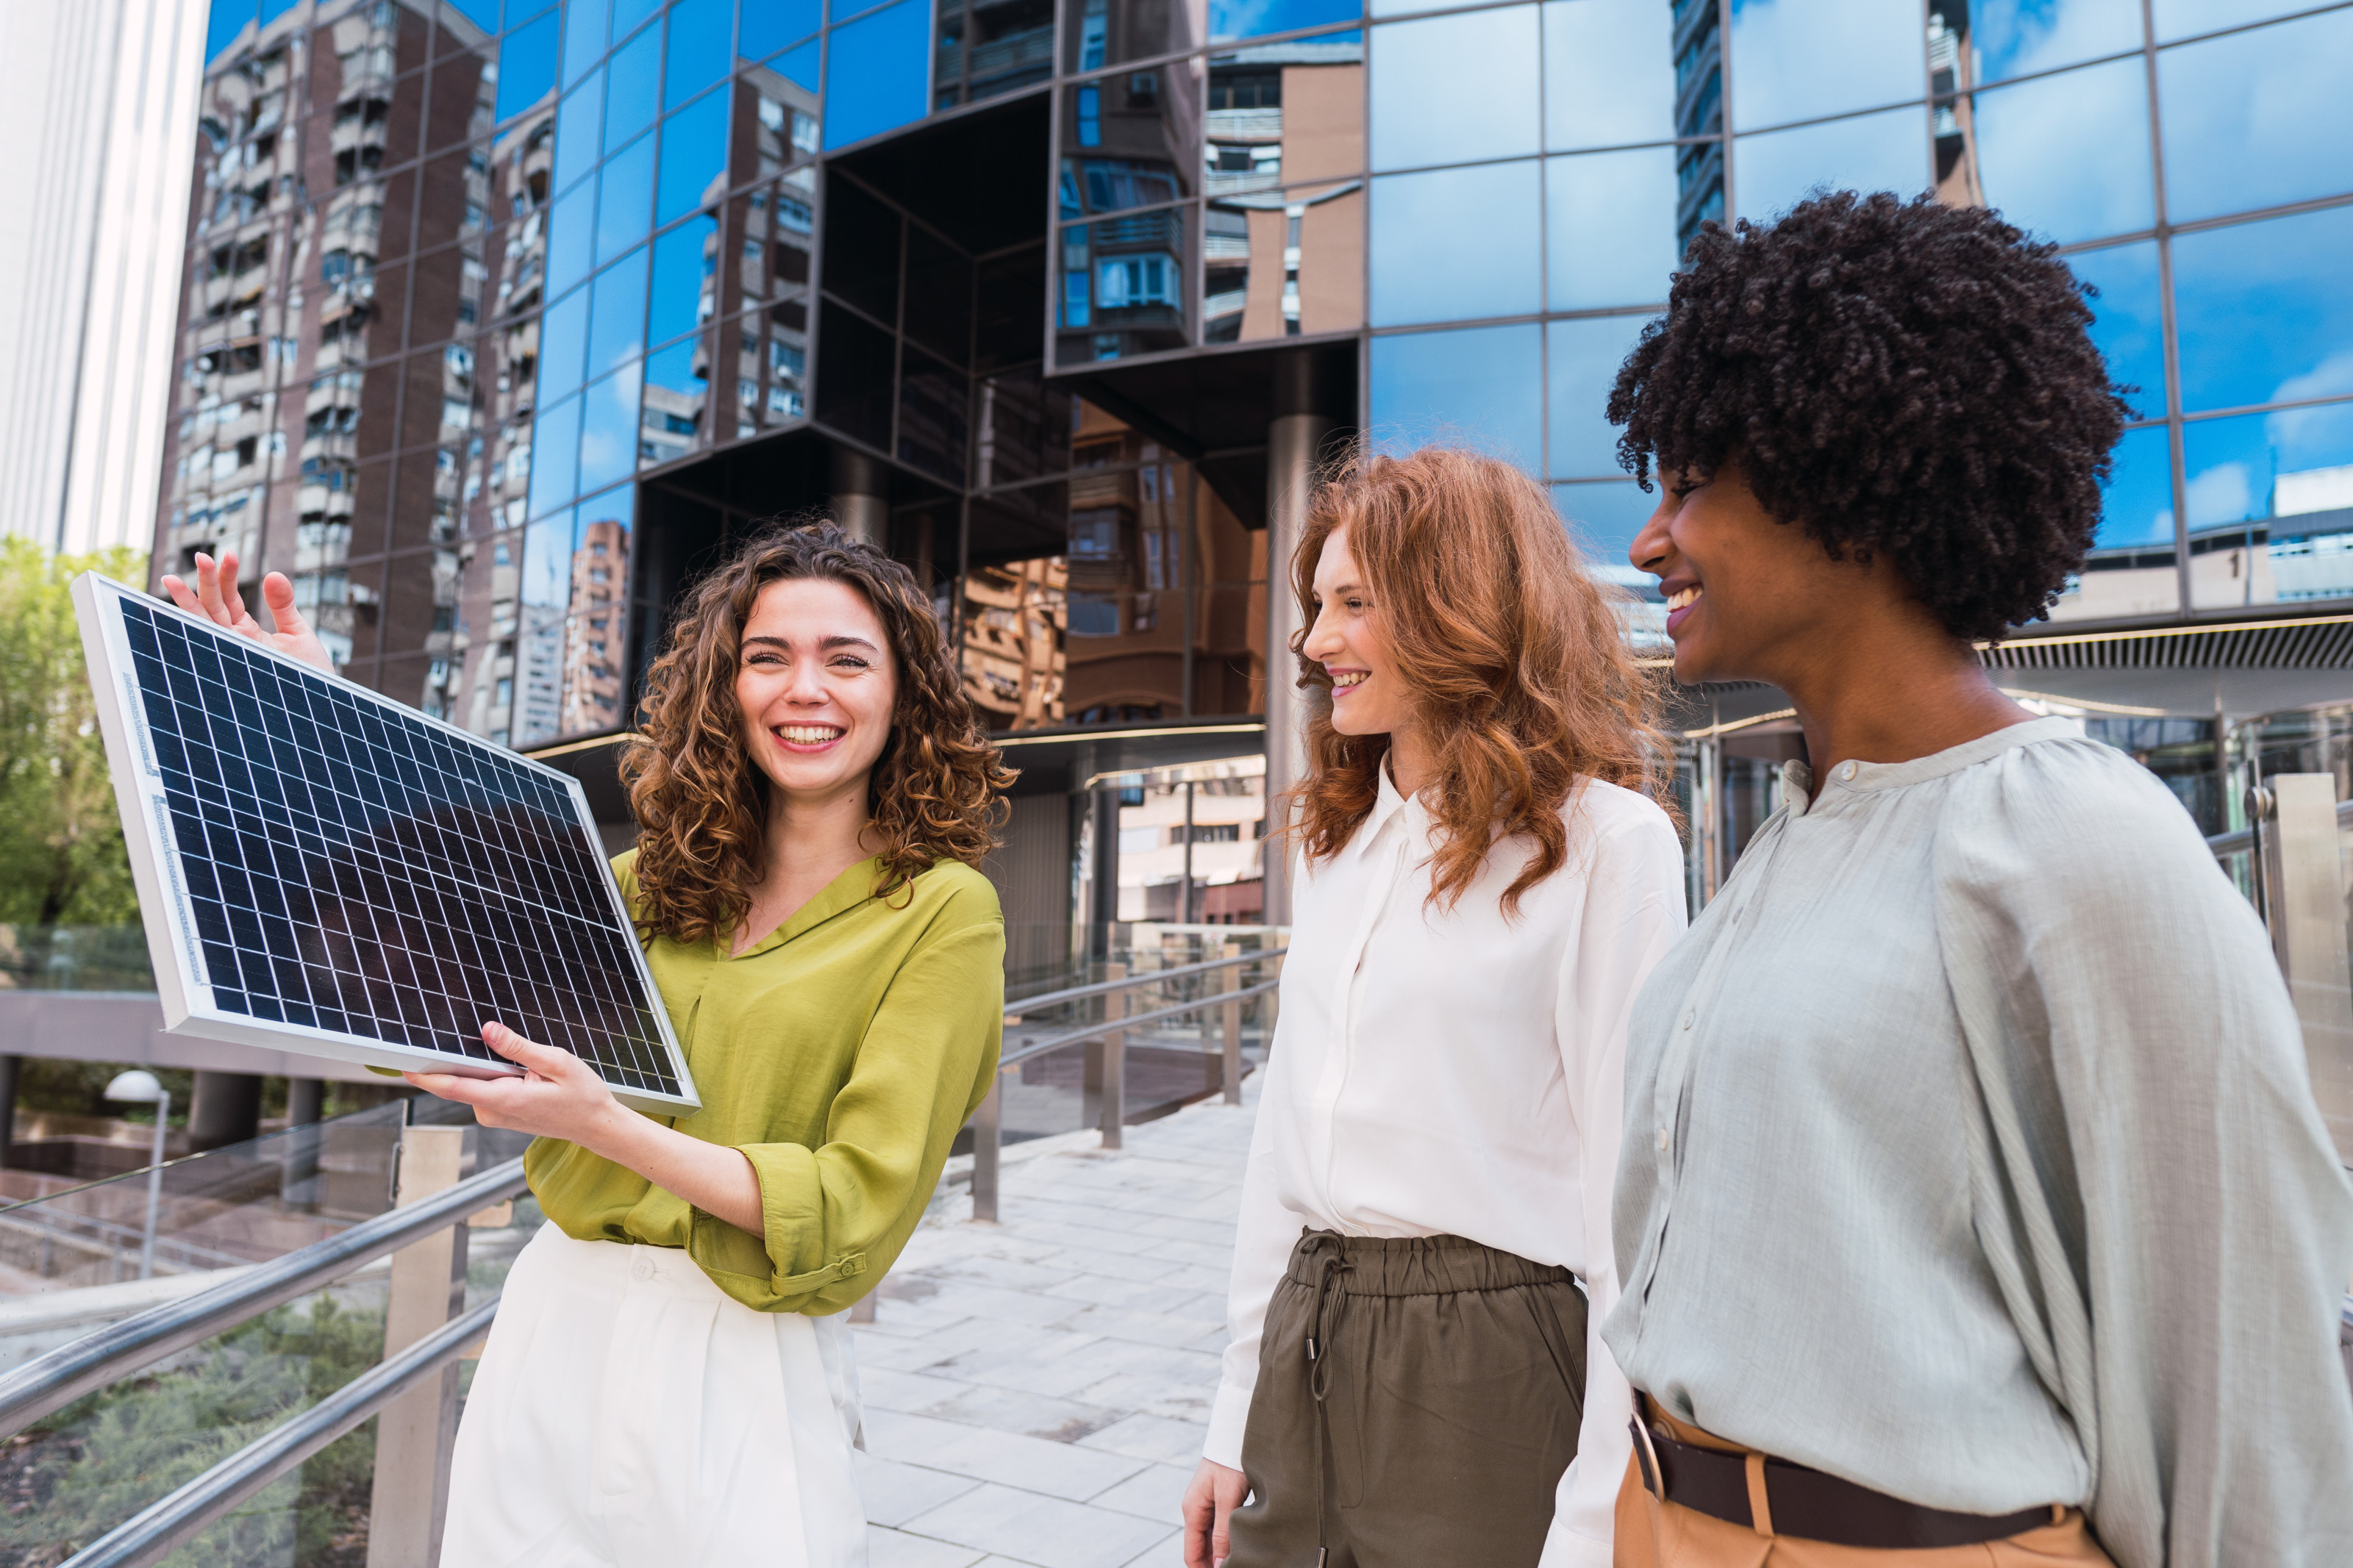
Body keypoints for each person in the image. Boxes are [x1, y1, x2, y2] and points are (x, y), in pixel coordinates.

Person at [1600, 190, 2353, 1567]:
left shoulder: (2080, 845)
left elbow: (2238, 1356)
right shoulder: (1791, 834)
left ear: (1849, 477)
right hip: (1665, 1523)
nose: (1652, 540)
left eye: (1689, 480)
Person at [163, 523, 1013, 1568]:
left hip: (743, 1359)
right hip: (553, 1325)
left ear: (904, 693)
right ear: (724, 686)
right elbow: (438, 1000)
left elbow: (853, 1208)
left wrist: (608, 1126)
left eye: (846, 659)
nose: (805, 689)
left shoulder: (943, 913)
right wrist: (324, 721)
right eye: (767, 657)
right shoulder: (654, 882)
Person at [1179, 448, 1688, 1568]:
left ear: (1461, 603)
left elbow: (1635, 1214)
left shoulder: (1610, 845)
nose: (1317, 643)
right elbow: (1282, 1143)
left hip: (1489, 1368)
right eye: (1319, 606)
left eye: (1355, 603)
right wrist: (1232, 1413)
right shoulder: (1339, 846)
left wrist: (1597, 1523)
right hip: (1308, 1332)